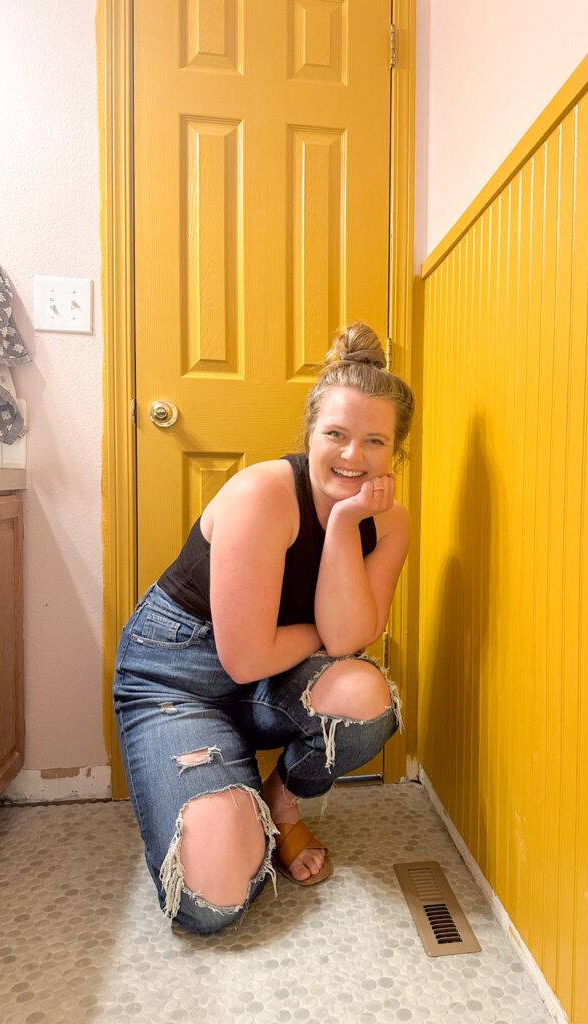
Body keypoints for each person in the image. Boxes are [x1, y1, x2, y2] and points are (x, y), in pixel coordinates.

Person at [113, 322, 414, 935]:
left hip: (269, 679)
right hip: (177, 680)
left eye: (374, 441)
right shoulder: (262, 494)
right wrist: (325, 640)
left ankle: (280, 801)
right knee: (213, 903)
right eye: (336, 434)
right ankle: (226, 795)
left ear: (396, 454)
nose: (353, 456)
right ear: (309, 433)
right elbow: (248, 659)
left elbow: (350, 641)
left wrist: (342, 525)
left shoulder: (387, 523)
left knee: (363, 695)